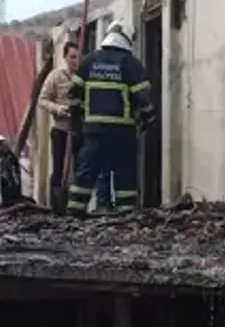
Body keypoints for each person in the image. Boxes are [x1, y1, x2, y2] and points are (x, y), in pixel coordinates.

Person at [65, 21, 151, 215]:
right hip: (122, 132)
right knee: (125, 173)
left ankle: (73, 214)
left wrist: (77, 121)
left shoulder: (88, 61)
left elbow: (73, 95)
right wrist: (147, 119)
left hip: (93, 131)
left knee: (86, 173)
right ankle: (125, 214)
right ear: (127, 38)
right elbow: (144, 99)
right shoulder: (131, 64)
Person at [38, 41, 111, 209]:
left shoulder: (86, 76)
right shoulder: (56, 76)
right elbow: (42, 100)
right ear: (65, 57)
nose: (76, 61)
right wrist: (58, 108)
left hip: (81, 130)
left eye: (79, 57)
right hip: (61, 130)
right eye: (72, 57)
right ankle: (56, 206)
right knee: (58, 169)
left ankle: (78, 205)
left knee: (81, 168)